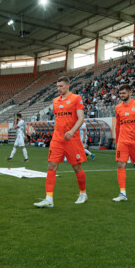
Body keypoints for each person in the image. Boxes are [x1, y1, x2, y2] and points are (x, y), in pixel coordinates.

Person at [34, 76, 87, 208]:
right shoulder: (55, 101)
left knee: (77, 167)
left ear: (68, 86)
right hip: (57, 140)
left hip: (72, 139)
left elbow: (81, 118)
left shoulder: (76, 98)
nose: (59, 89)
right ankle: (49, 199)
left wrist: (72, 131)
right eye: (57, 86)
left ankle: (83, 194)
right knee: (51, 166)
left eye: (61, 86)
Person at [112, 84, 135, 201]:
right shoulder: (118, 108)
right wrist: (117, 141)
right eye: (120, 93)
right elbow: (118, 125)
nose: (122, 95)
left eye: (124, 93)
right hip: (123, 141)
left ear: (129, 93)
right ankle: (123, 193)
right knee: (121, 164)